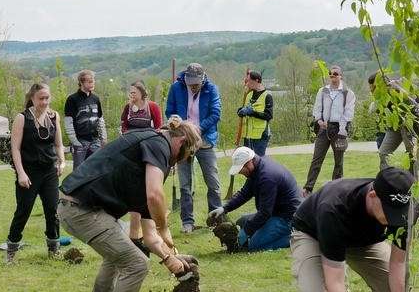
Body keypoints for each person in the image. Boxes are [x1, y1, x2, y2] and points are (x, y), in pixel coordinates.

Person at [58, 117, 202, 292]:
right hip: (81, 210)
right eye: (187, 155)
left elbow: (149, 236)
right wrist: (165, 228)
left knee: (125, 251)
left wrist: (172, 256)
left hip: (83, 208)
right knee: (136, 264)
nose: (182, 161)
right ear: (182, 142)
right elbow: (155, 197)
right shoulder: (158, 145)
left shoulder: (148, 162)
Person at [4, 82, 65, 262]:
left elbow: (59, 144)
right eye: (41, 99)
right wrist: (21, 173)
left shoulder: (54, 117)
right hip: (29, 171)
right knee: (23, 210)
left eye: (47, 98)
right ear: (32, 98)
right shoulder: (22, 118)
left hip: (49, 171)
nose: (45, 102)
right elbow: (15, 149)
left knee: (53, 210)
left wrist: (61, 161)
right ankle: (11, 250)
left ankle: (54, 248)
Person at [163, 63, 222, 233]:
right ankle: (187, 222)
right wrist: (175, 121)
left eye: (196, 84)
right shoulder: (176, 88)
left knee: (212, 181)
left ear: (203, 79)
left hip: (204, 138)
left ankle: (216, 219)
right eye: (191, 84)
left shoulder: (212, 90)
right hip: (183, 139)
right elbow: (170, 110)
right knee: (185, 184)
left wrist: (197, 129)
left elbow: (215, 114)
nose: (194, 87)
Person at [208, 146, 300, 252]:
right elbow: (244, 193)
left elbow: (265, 213)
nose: (241, 173)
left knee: (253, 246)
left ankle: (295, 237)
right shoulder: (256, 170)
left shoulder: (267, 177)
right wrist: (225, 208)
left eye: (241, 170)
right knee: (241, 222)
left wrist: (246, 231)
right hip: (275, 213)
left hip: (287, 217)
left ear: (249, 163)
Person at [119, 80, 163, 250]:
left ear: (141, 93)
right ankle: (134, 233)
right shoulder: (127, 107)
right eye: (130, 92)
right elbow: (123, 124)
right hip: (131, 147)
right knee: (134, 189)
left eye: (134, 92)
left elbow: (159, 127)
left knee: (148, 190)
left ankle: (151, 231)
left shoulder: (152, 106)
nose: (131, 95)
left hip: (147, 147)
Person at [303, 66, 356, 194]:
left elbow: (349, 113)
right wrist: (319, 120)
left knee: (339, 161)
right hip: (324, 128)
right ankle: (308, 188)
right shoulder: (323, 91)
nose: (333, 77)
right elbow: (317, 108)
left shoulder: (348, 93)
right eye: (331, 74)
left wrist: (341, 127)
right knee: (317, 158)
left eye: (335, 74)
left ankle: (336, 189)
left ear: (341, 75)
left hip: (340, 129)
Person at [64, 69, 106, 169]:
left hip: (95, 141)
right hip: (80, 141)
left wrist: (103, 139)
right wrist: (75, 142)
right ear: (81, 82)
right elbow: (68, 122)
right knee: (79, 172)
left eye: (93, 81)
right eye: (90, 81)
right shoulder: (72, 99)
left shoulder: (96, 99)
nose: (93, 83)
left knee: (95, 170)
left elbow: (100, 119)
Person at [237, 70, 274, 156]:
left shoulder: (267, 95)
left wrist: (252, 112)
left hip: (260, 136)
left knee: (258, 162)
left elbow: (268, 116)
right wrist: (240, 111)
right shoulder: (249, 94)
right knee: (248, 163)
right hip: (247, 136)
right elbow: (245, 108)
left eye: (249, 81)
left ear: (257, 80)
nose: (247, 83)